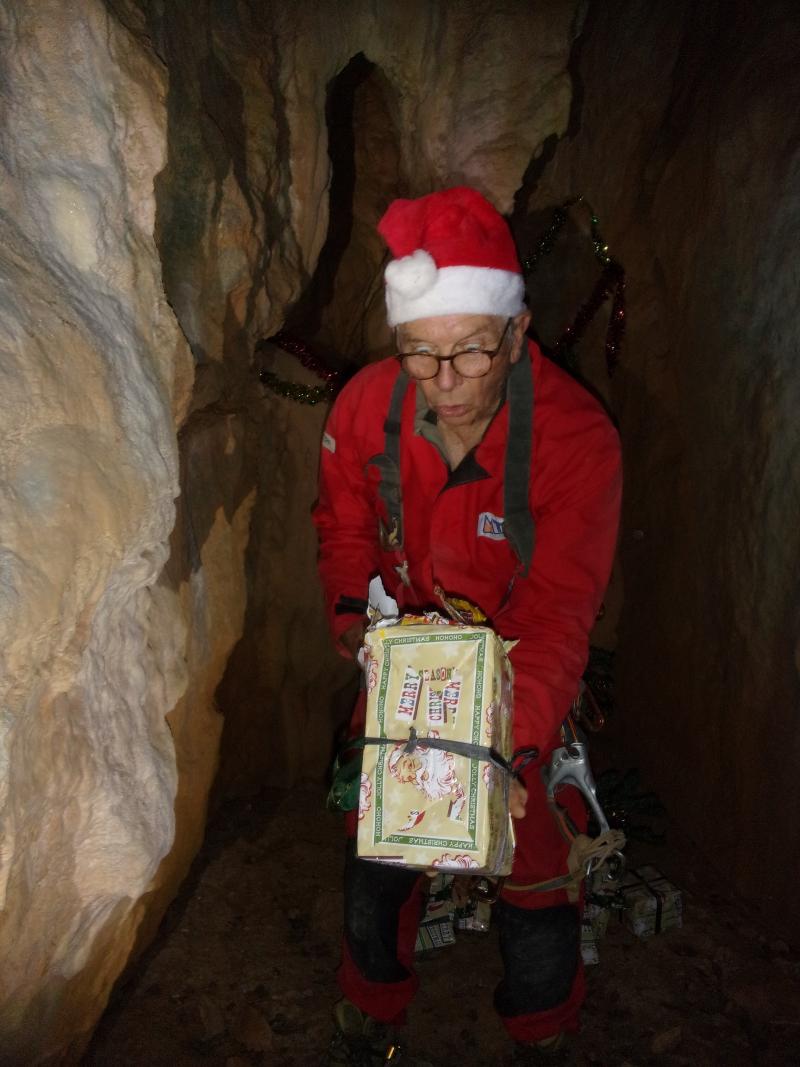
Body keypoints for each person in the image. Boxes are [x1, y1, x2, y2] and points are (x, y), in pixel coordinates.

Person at [313, 187, 622, 1065]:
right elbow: (344, 522)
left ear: (517, 334)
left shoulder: (575, 441)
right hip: (407, 663)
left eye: (471, 351)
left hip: (519, 670)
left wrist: (504, 749)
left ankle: (542, 1023)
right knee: (380, 836)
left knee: (534, 849)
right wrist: (355, 618)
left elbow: (559, 611)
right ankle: (372, 1007)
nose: (444, 381)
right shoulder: (365, 409)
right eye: (420, 353)